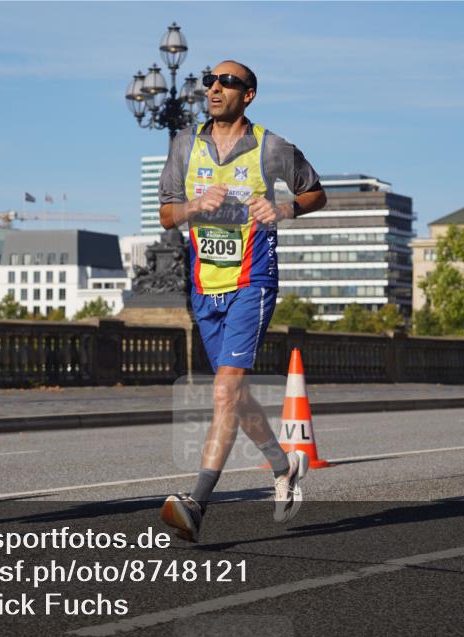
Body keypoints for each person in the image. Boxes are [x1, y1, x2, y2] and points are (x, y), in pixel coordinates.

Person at [156, 61, 327, 541]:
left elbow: (317, 194)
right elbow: (167, 214)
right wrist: (195, 206)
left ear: (247, 95)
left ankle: (197, 502)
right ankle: (284, 467)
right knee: (235, 395)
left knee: (224, 393)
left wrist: (284, 207)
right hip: (204, 284)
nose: (214, 87)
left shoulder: (272, 147)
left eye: (226, 82)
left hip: (253, 278)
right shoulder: (184, 145)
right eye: (210, 80)